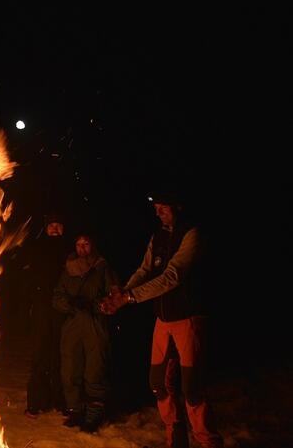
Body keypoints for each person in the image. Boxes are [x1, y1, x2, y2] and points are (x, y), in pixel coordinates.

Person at [100, 192, 223, 448]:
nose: (158, 213)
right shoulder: (158, 236)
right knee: (158, 384)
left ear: (178, 206)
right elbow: (145, 269)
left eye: (163, 208)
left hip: (188, 319)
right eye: (156, 208)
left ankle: (208, 441)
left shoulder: (192, 235)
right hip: (163, 321)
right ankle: (175, 440)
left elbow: (172, 276)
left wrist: (130, 298)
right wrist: (122, 292)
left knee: (192, 389)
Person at [52, 233, 119, 433]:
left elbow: (115, 297)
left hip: (94, 324)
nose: (82, 248)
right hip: (72, 323)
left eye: (86, 244)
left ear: (93, 246)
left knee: (94, 368)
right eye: (79, 244)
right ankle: (75, 410)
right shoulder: (68, 269)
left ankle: (94, 414)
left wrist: (95, 305)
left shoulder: (102, 268)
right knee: (70, 367)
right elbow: (56, 296)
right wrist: (69, 304)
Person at [22, 213, 70, 417]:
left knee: (61, 355)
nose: (55, 228)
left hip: (63, 309)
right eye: (51, 225)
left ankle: (59, 400)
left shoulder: (70, 249)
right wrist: (33, 300)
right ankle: (36, 402)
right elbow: (26, 277)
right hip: (42, 307)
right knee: (40, 354)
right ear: (46, 227)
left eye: (58, 224)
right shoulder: (36, 247)